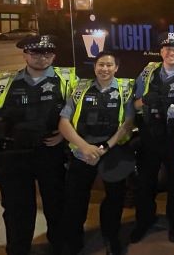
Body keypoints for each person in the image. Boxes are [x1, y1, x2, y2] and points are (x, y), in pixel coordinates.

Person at [0, 35, 77, 255]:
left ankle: (61, 247)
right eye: (36, 53)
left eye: (47, 53)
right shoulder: (3, 83)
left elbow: (81, 112)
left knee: (58, 206)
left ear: (54, 55)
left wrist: (64, 134)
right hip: (13, 155)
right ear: (25, 55)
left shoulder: (68, 80)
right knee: (17, 211)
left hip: (51, 153)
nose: (42, 58)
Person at [59, 51, 135, 255]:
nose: (105, 69)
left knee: (115, 199)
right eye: (101, 64)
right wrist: (84, 147)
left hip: (112, 152)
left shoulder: (125, 89)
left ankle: (111, 238)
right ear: (94, 67)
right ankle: (73, 241)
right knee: (75, 199)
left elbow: (128, 124)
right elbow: (64, 122)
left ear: (116, 68)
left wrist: (105, 148)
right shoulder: (80, 88)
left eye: (109, 65)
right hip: (82, 152)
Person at [129, 32, 174, 243]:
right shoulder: (148, 71)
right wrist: (145, 101)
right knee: (145, 182)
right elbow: (133, 104)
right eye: (167, 49)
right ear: (161, 51)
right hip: (149, 136)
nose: (171, 53)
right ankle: (144, 220)